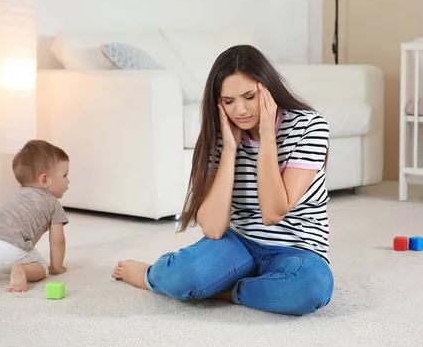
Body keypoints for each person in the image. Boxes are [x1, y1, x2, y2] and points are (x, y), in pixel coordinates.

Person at [112, 45, 334, 315]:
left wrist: (267, 137)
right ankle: (152, 275)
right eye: (228, 101)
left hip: (298, 250)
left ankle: (224, 290)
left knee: (311, 288)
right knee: (181, 276)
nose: (240, 110)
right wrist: (229, 149)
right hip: (238, 243)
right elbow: (214, 229)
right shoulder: (222, 135)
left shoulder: (309, 126)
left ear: (268, 89)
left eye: (249, 97)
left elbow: (274, 212)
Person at [0, 139, 71, 292]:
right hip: (7, 251)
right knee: (42, 267)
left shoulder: (17, 194)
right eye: (65, 175)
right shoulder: (53, 204)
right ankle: (21, 271)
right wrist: (56, 267)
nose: (68, 181)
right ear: (45, 180)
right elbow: (57, 240)